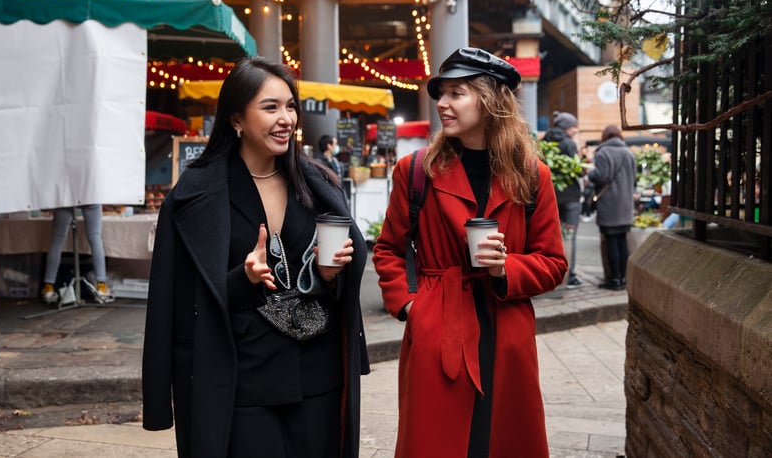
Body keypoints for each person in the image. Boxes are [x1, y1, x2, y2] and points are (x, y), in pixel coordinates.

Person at [142, 57, 370, 458]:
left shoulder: (317, 184)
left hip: (318, 376)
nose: (286, 119)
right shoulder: (194, 195)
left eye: (290, 106)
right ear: (237, 119)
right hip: (242, 381)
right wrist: (241, 280)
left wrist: (329, 276)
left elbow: (339, 288)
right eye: (270, 107)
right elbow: (171, 302)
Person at [373, 47, 568, 458]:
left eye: (457, 93)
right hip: (437, 327)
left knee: (503, 439)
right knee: (435, 440)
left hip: (507, 331)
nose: (442, 104)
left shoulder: (533, 175)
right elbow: (389, 248)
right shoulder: (416, 170)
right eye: (441, 93)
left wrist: (506, 268)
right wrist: (411, 306)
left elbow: (552, 263)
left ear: (491, 98)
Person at [587, 124, 637, 291]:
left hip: (609, 205)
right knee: (622, 242)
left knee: (611, 243)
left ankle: (614, 279)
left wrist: (589, 174)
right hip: (625, 205)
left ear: (605, 137)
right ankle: (623, 278)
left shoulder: (603, 153)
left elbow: (601, 176)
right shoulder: (629, 153)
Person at [542, 111, 584, 288]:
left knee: (551, 235)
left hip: (550, 195)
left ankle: (550, 273)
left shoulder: (544, 143)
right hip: (570, 198)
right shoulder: (569, 144)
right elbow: (578, 170)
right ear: (567, 127)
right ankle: (570, 276)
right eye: (574, 126)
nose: (576, 130)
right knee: (569, 235)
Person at [40, 204, 112, 303]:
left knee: (57, 239)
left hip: (66, 196)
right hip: (89, 196)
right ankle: (101, 287)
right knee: (95, 236)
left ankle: (49, 287)